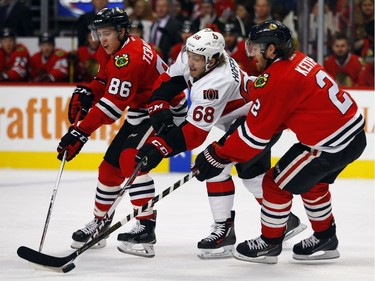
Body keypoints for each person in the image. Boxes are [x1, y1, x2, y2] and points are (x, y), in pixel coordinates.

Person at [192, 20, 366, 264]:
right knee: (313, 184)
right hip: (352, 136)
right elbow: (285, 109)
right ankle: (326, 238)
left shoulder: (279, 79)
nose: (251, 55)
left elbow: (253, 138)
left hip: (329, 145)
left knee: (274, 185)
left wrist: (218, 154)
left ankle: (270, 243)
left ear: (271, 49)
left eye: (255, 48)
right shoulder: (297, 60)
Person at [133, 28, 306, 259]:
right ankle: (285, 221)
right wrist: (158, 105)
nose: (191, 61)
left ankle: (224, 232)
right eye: (190, 55)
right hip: (249, 116)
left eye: (197, 58)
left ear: (213, 60)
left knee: (215, 166)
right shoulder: (200, 56)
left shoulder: (216, 83)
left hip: (258, 120)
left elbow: (194, 134)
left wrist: (158, 148)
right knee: (252, 177)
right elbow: (170, 79)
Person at [57, 7, 187, 258]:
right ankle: (100, 222)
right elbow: (104, 82)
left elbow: (112, 107)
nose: (101, 39)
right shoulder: (113, 50)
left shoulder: (132, 57)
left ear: (122, 31)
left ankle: (146, 229)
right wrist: (88, 93)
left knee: (131, 159)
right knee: (108, 169)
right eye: (98, 33)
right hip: (143, 110)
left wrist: (81, 132)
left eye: (106, 33)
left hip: (166, 111)